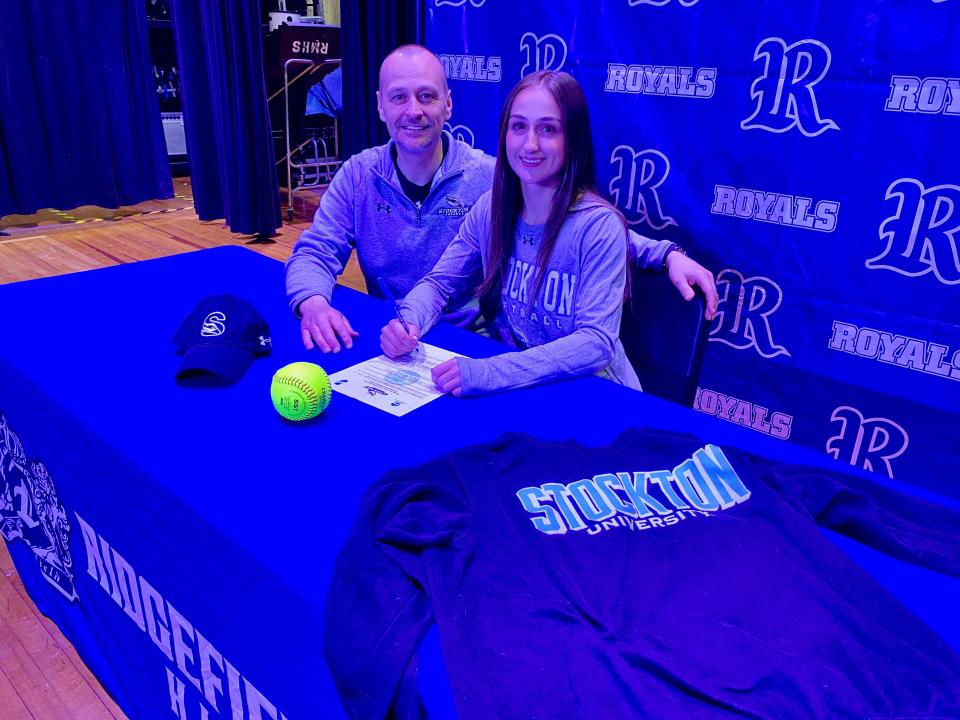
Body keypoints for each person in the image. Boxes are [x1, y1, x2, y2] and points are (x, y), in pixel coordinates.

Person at [285, 45, 717, 354]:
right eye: (399, 97)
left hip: (478, 344)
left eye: (427, 96)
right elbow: (316, 252)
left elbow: (580, 222)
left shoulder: (492, 177)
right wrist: (315, 302)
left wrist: (664, 254)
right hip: (401, 338)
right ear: (380, 107)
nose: (413, 110)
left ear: (448, 105)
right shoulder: (357, 176)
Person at [381, 70, 645, 396]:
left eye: (547, 129)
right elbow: (439, 284)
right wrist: (409, 322)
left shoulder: (599, 226)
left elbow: (596, 343)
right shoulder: (491, 208)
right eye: (519, 126)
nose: (530, 144)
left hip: (600, 395)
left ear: (572, 139)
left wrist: (490, 372)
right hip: (529, 388)